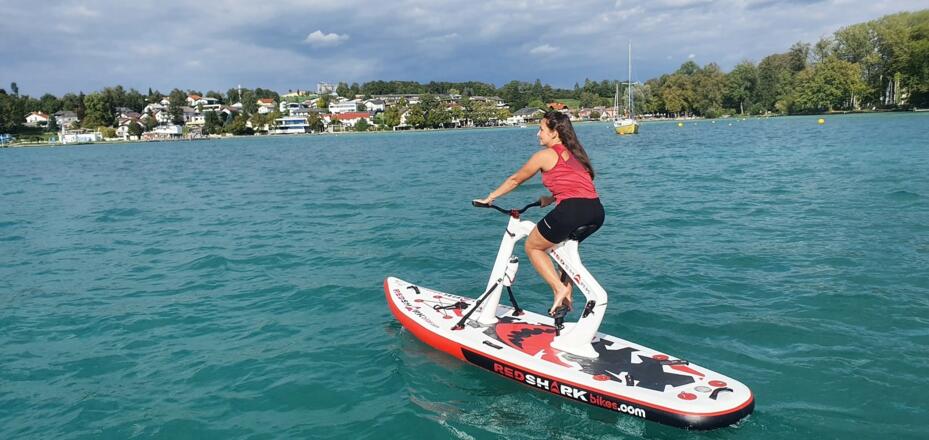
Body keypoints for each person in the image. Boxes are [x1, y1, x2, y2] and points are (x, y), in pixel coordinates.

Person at [475, 111, 604, 316]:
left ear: (554, 133)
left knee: (533, 246)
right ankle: (564, 299)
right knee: (564, 252)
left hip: (572, 211)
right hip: (596, 211)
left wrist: (489, 198)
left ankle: (559, 289)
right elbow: (578, 185)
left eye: (541, 129)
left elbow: (515, 180)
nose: (538, 134)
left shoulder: (545, 155)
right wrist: (552, 198)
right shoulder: (576, 154)